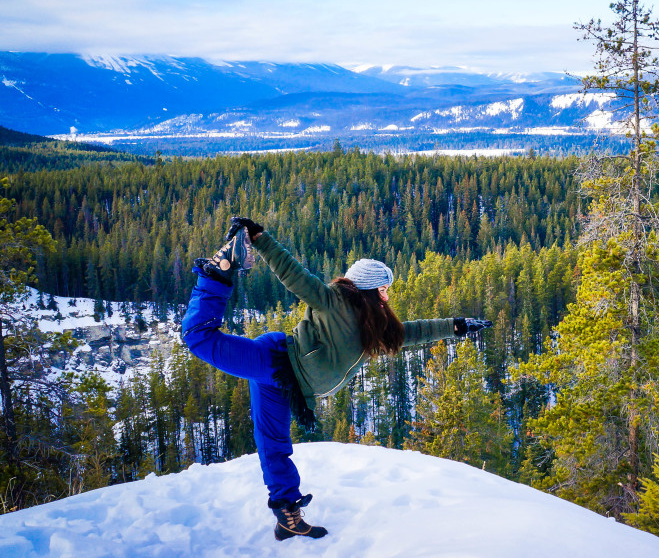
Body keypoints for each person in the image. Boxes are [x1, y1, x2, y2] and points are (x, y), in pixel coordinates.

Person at [180, 216, 492, 541]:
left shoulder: (374, 325)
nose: (387, 297)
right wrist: (259, 238)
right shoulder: (332, 300)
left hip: (289, 385)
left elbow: (409, 333)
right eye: (383, 290)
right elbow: (293, 274)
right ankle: (217, 273)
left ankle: (287, 515)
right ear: (368, 289)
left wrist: (455, 326)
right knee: (198, 337)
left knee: (273, 445)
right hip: (276, 361)